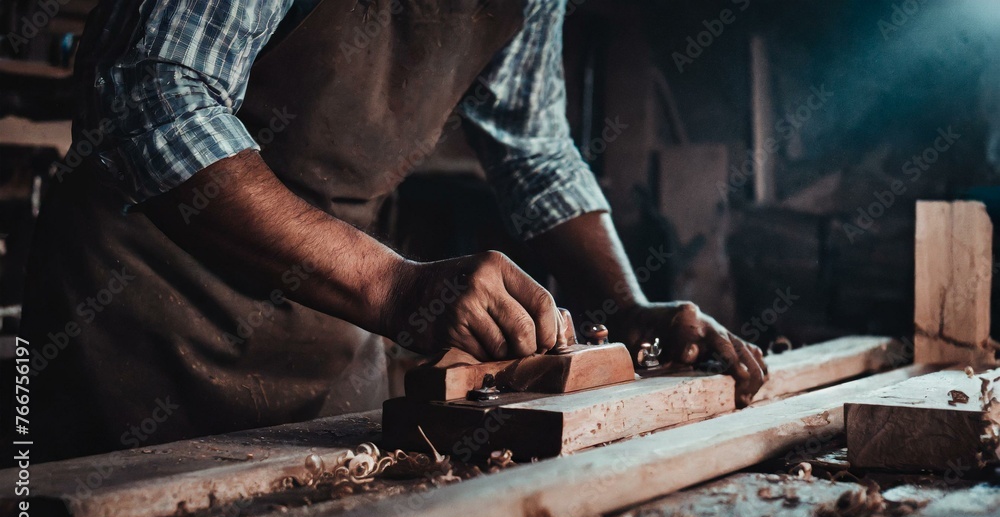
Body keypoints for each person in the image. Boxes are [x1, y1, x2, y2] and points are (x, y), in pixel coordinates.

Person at [22, 0, 767, 462]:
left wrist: (624, 306)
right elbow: (149, 88)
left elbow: (533, 145)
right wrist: (393, 283)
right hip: (143, 302)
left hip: (329, 314)